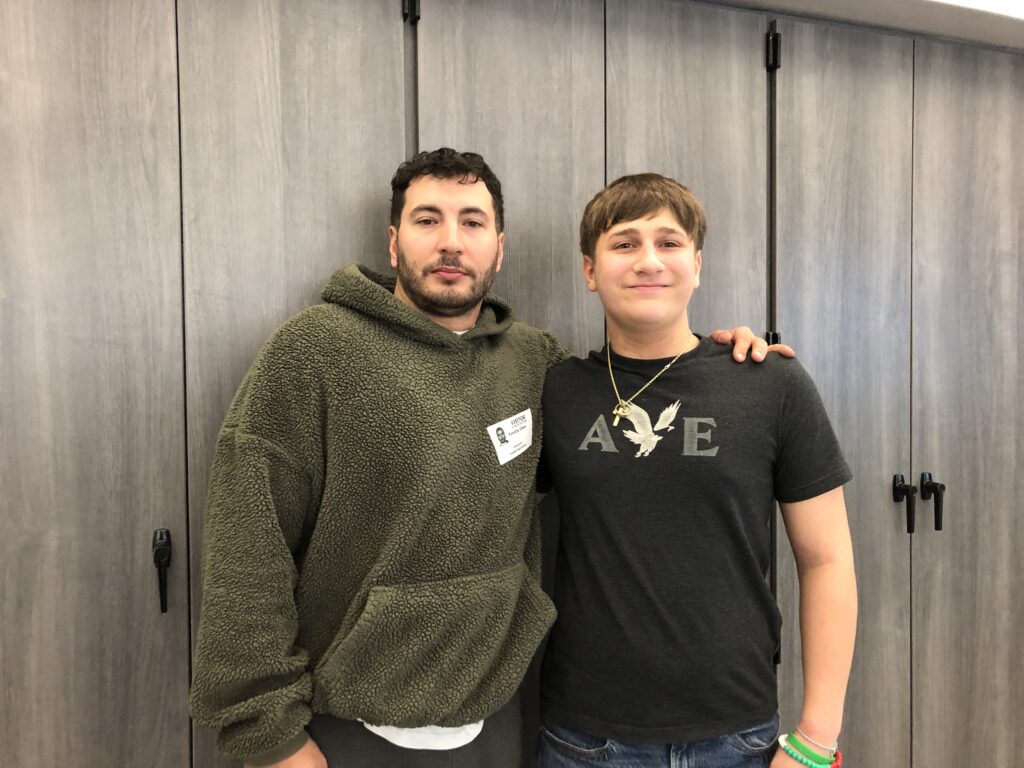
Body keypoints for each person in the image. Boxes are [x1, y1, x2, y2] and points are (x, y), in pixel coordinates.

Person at [189, 149, 785, 768]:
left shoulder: (534, 361)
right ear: (393, 244)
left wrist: (720, 362)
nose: (451, 242)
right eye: (427, 221)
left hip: (497, 719)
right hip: (343, 725)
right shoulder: (314, 350)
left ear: (499, 248)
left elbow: (638, 408)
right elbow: (247, 545)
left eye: (472, 223)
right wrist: (269, 735)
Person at [535, 174, 857, 768]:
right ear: (589, 270)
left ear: (697, 263)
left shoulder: (770, 383)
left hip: (738, 736)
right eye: (624, 243)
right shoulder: (554, 389)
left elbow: (827, 559)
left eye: (669, 242)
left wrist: (816, 741)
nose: (648, 261)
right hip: (585, 737)